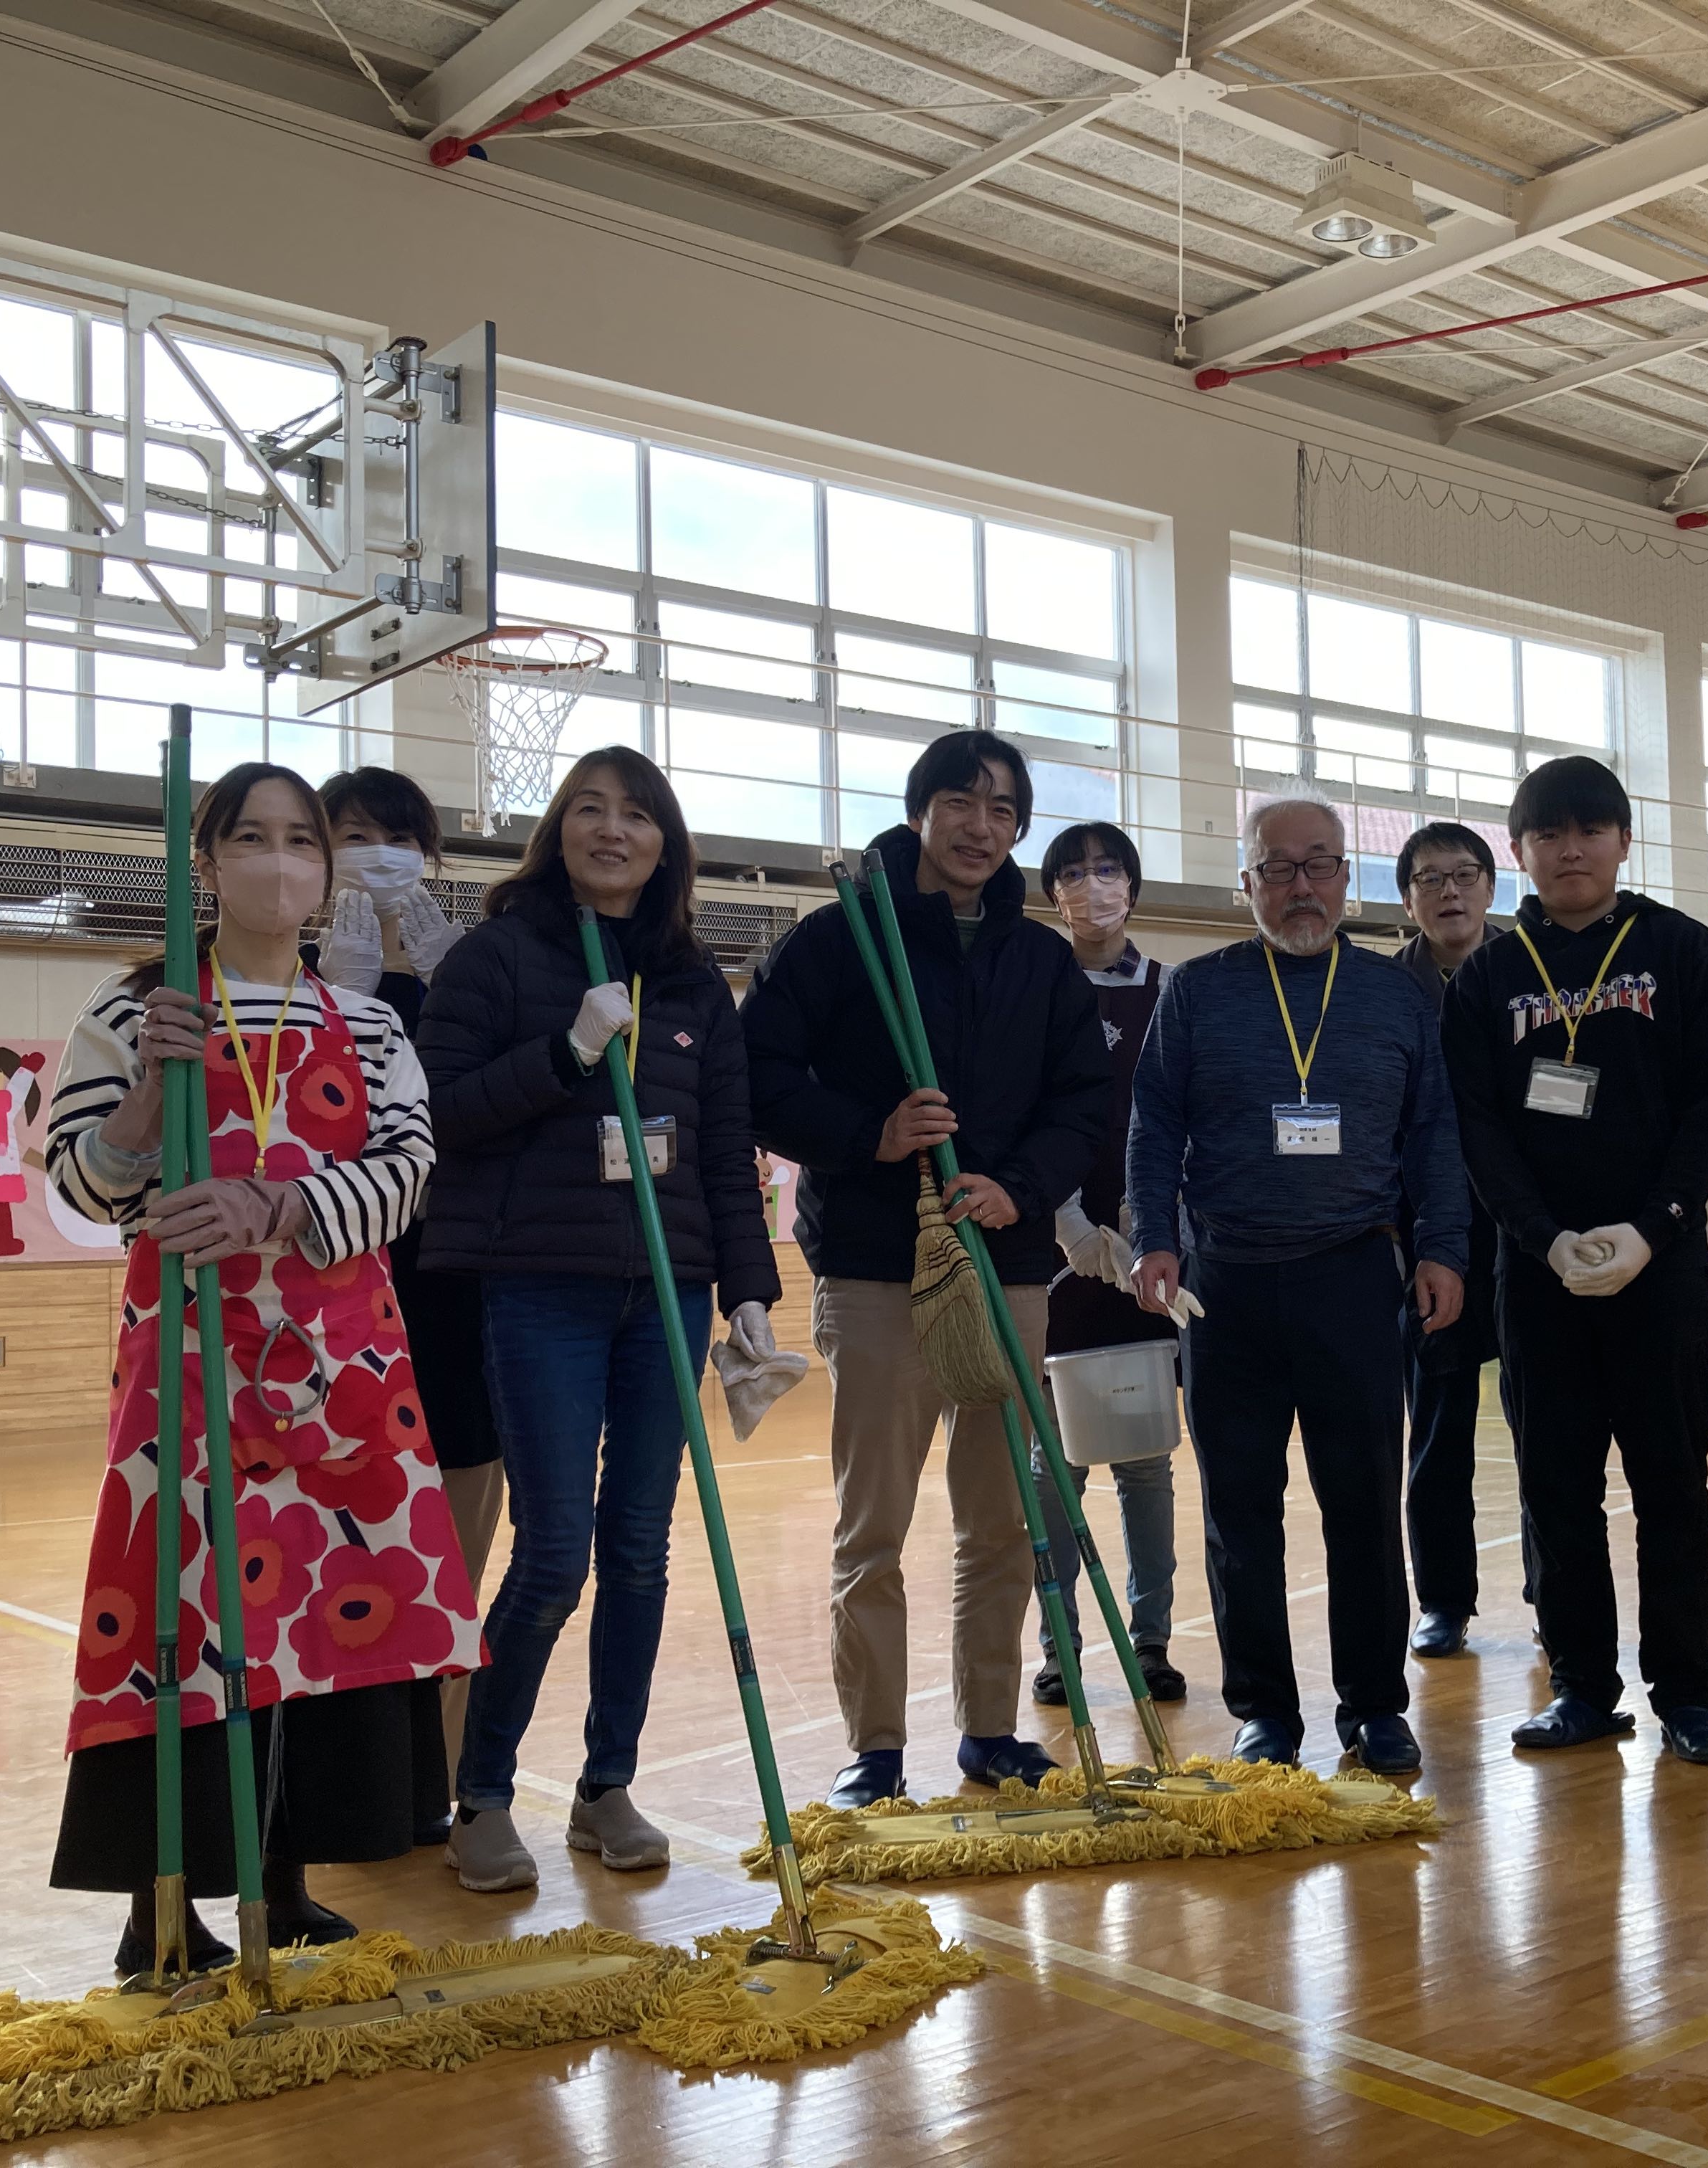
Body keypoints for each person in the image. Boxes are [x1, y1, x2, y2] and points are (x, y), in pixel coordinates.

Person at [47, 761, 478, 1976]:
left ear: (324, 876)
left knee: (320, 1623)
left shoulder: (376, 1022)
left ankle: (284, 1884)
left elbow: (406, 1173)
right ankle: (162, 1900)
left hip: (343, 1368)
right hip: (188, 1366)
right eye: (252, 836)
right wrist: (142, 1102)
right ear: (208, 858)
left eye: (301, 841)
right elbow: (79, 1187)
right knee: (181, 1618)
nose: (279, 860)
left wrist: (274, 1202)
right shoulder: (135, 1011)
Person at [412, 747, 784, 1892]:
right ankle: (478, 1794)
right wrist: (569, 1052)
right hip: (541, 1288)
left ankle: (606, 1785)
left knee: (638, 1552)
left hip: (665, 1292)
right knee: (556, 1551)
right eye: (588, 809)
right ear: (556, 830)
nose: (611, 830)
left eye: (636, 815)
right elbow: (438, 1112)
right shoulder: (497, 957)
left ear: (666, 843)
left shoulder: (691, 985)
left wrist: (752, 1290)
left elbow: (725, 1151)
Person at [742, 730, 1109, 1808]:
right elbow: (759, 1073)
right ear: (920, 812)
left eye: (1005, 812)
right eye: (962, 802)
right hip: (874, 1266)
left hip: (1008, 1266)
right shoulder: (836, 938)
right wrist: (870, 1132)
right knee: (876, 1524)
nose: (982, 827)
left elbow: (1083, 1101)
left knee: (1003, 1518)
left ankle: (991, 1730)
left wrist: (1019, 1185)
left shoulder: (1041, 960)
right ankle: (878, 1747)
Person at [1127, 798, 1465, 1776]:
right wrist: (1155, 1237)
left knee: (1362, 1504)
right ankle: (1264, 1711)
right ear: (1248, 887)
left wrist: (1442, 1248)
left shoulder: (1397, 998)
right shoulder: (1196, 991)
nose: (1302, 886)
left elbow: (1435, 1133)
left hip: (1355, 1277)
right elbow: (1154, 1126)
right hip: (1225, 1285)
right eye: (1279, 869)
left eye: (1320, 865)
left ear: (1347, 878)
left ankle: (1373, 1705)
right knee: (1241, 1511)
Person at [1440, 756, 1708, 1764]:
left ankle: (1688, 1697)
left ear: (1622, 840)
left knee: (1669, 1488)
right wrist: (1545, 1238)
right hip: (1542, 1279)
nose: (1570, 849)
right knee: (1556, 1491)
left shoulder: (1682, 951)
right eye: (1548, 833)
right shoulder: (1490, 971)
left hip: (1658, 1277)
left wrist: (1658, 1227)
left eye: (1590, 830)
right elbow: (1478, 1126)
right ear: (1519, 849)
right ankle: (1581, 1688)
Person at [315, 767, 499, 1843]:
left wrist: (451, 976)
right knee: (340, 1555)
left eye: (398, 839)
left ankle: (436, 1780)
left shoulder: (464, 985)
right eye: (352, 837)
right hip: (336, 1320)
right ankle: (344, 1787)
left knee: (452, 1560)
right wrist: (341, 1001)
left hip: (461, 1305)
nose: (376, 857)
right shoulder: (286, 996)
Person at [1029, 821, 1183, 1708]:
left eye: (1111, 869)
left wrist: (1154, 1219)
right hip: (1056, 1257)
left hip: (1148, 1250)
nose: (1096, 885)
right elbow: (1011, 1115)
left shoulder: (1172, 990)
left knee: (1146, 1457)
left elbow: (1186, 1112)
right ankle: (1059, 1647)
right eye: (1076, 873)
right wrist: (1068, 1227)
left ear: (1134, 885)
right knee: (1059, 1462)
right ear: (1054, 893)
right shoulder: (1032, 988)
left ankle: (1151, 1640)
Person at [1389, 820, 1515, 1661]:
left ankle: (1553, 1587)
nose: (1449, 891)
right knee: (1437, 1430)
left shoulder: (1531, 973)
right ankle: (1444, 1600)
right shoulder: (1379, 988)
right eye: (1430, 879)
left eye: (1464, 874)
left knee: (1546, 1423)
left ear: (1490, 886)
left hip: (1525, 1228)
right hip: (1425, 1237)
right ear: (1407, 897)